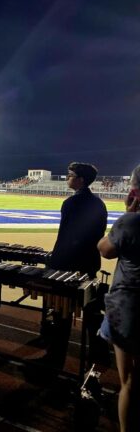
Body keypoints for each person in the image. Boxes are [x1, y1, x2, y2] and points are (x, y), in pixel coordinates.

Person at [40, 162, 108, 369]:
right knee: (92, 314)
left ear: (81, 180)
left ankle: (55, 359)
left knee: (62, 316)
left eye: (70, 175)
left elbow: (66, 238)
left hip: (67, 268)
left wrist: (53, 264)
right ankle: (98, 357)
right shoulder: (99, 204)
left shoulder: (70, 203)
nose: (67, 178)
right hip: (89, 266)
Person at [97, 164, 140, 432]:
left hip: (130, 309)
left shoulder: (131, 221)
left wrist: (127, 214)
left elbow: (105, 249)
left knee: (130, 381)